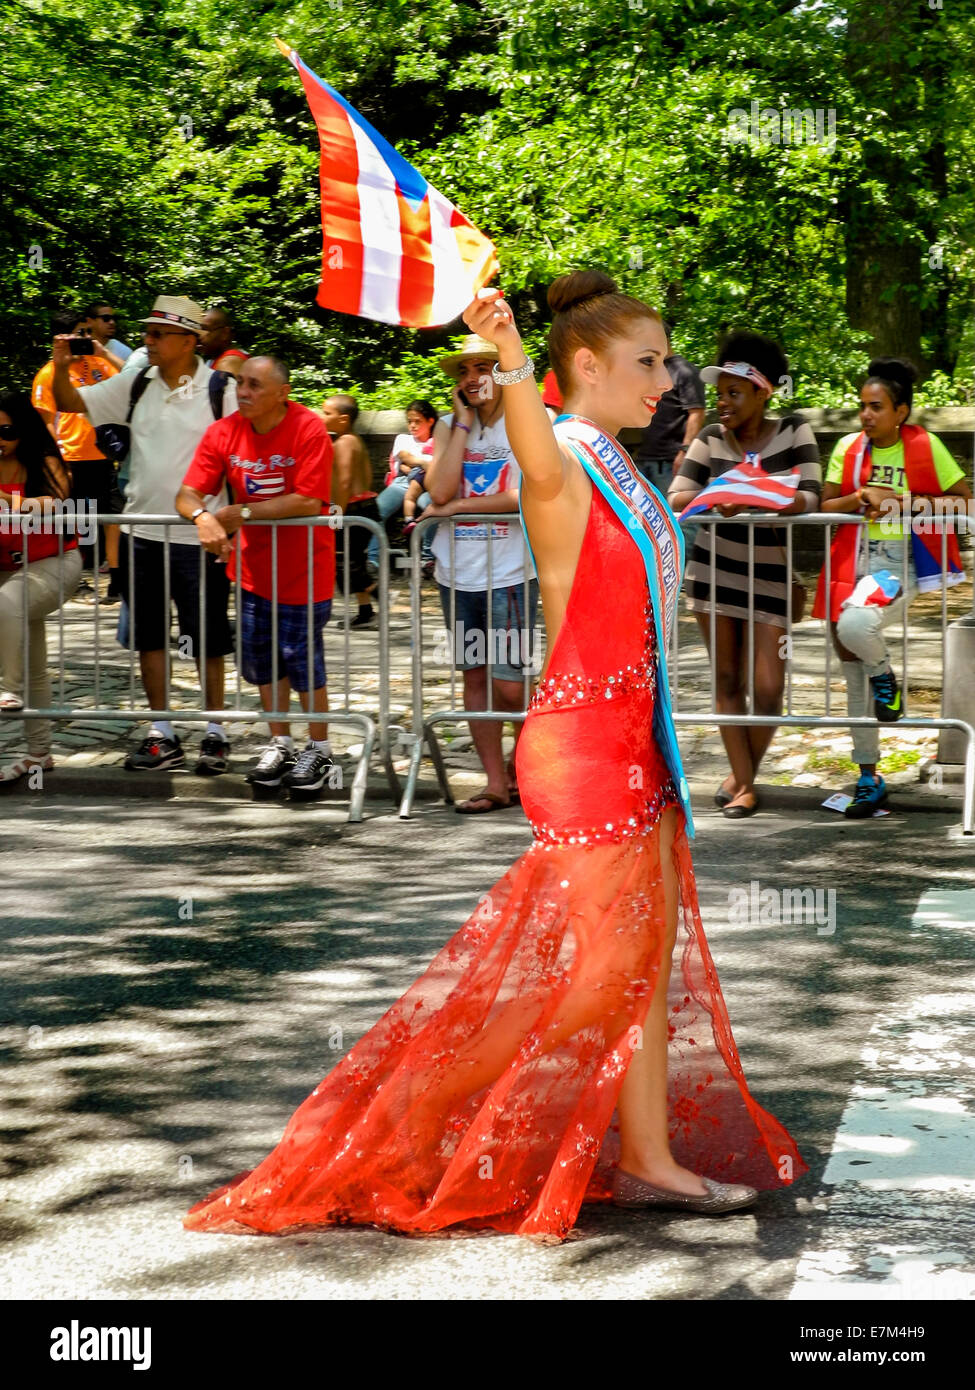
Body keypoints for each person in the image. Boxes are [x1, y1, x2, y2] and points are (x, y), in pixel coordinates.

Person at [184, 272, 804, 1243]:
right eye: (649, 361)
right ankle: (399, 1112)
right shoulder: (562, 448)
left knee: (638, 960)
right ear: (585, 367)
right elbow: (535, 449)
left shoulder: (626, 465)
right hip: (587, 744)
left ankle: (647, 1156)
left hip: (633, 739)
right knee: (595, 976)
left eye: (668, 360)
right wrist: (514, 360)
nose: (669, 378)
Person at [51, 294, 238, 774]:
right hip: (141, 532)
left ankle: (215, 733)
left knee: (208, 638)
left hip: (201, 536)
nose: (145, 340)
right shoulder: (136, 381)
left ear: (188, 340)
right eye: (146, 332)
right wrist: (61, 363)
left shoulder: (221, 388)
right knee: (150, 638)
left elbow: (244, 451)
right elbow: (71, 402)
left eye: (157, 333)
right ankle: (163, 732)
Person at [668, 333, 822, 819]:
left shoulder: (795, 431)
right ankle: (746, 788)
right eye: (720, 393)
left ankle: (741, 774)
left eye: (735, 392)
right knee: (728, 677)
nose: (724, 402)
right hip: (713, 575)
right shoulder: (710, 438)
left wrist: (759, 496)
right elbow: (677, 497)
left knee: (770, 687)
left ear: (763, 393)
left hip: (772, 579)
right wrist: (718, 494)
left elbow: (812, 498)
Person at [815, 357, 971, 819]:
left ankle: (886, 678)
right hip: (849, 559)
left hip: (894, 563)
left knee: (857, 624)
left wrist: (906, 503)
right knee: (851, 672)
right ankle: (868, 777)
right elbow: (826, 504)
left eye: (876, 406)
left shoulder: (926, 446)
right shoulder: (847, 447)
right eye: (863, 405)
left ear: (901, 411)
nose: (866, 414)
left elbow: (966, 503)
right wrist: (862, 496)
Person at [177, 356, 337, 795]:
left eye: (254, 385)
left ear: (282, 393)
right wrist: (201, 518)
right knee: (263, 663)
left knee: (303, 663)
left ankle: (320, 749)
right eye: (240, 384)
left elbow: (308, 500)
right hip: (251, 572)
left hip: (305, 571)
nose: (243, 392)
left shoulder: (308, 427)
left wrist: (237, 512)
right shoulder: (224, 431)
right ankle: (280, 743)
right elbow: (188, 493)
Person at [422, 334, 538, 813]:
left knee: (511, 685)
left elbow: (523, 495)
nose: (472, 379)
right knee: (475, 678)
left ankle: (525, 769)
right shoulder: (451, 426)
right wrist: (463, 426)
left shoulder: (529, 421)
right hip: (458, 573)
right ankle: (495, 784)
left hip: (509, 571)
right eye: (464, 371)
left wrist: (460, 506)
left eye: (483, 367)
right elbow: (439, 488)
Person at [0, 392, 83, 782]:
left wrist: (14, 504)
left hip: (54, 564)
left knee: (7, 602)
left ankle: (6, 688)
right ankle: (39, 755)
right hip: (9, 571)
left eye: (6, 430)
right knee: (33, 659)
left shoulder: (45, 461)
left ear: (24, 429)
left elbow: (58, 502)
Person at [32, 308, 121, 599]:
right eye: (79, 333)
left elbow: (130, 382)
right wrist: (57, 462)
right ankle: (77, 581)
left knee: (109, 518)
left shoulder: (98, 363)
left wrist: (104, 355)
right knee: (76, 520)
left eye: (86, 332)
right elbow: (47, 422)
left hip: (104, 455)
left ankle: (116, 579)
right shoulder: (48, 373)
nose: (84, 338)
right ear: (61, 338)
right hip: (72, 459)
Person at [319, 394, 379, 629]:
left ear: (343, 419)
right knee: (352, 562)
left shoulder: (344, 443)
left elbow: (343, 483)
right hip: (362, 508)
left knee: (347, 564)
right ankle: (366, 611)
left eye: (327, 413)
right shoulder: (354, 440)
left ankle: (379, 598)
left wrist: (335, 515)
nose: (322, 417)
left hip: (353, 510)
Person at [632, 323, 706, 493]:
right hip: (644, 459)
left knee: (678, 517)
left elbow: (697, 413)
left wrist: (685, 452)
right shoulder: (648, 371)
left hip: (671, 461)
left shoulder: (685, 371)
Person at [369, 399, 437, 570]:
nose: (412, 426)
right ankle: (373, 558)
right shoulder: (403, 439)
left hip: (430, 484)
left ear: (430, 421)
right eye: (409, 421)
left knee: (432, 507)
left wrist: (416, 465)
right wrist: (424, 463)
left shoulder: (438, 441)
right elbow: (405, 458)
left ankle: (427, 558)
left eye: (417, 421)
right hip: (403, 483)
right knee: (377, 510)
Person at [199, 305, 249, 377]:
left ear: (225, 333)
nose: (200, 336)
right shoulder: (214, 360)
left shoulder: (229, 362)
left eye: (205, 329)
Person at [81, 301, 132, 367]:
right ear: (89, 322)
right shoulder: (77, 348)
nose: (112, 322)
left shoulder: (124, 352)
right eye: (106, 318)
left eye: (114, 318)